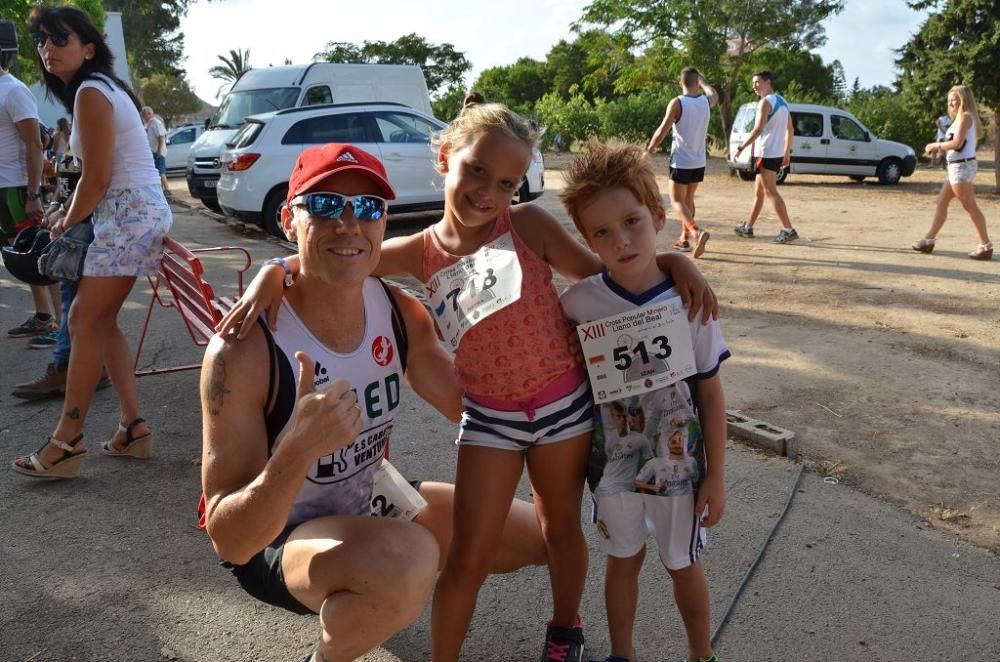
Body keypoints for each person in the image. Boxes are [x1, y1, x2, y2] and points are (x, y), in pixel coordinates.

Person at [216, 104, 718, 662]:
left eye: (506, 182)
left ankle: (564, 631)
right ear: (445, 158)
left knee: (561, 531)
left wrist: (676, 263)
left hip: (563, 410)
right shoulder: (419, 252)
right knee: (467, 556)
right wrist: (276, 270)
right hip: (490, 420)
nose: (488, 192)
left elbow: (610, 273)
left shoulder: (527, 224)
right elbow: (343, 253)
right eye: (476, 171)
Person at [201, 142, 548, 662]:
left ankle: (373, 597)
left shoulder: (396, 307)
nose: (348, 224)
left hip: (369, 501)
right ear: (287, 219)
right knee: (409, 561)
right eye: (322, 206)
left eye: (367, 208)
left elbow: (471, 405)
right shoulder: (245, 348)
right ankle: (341, 639)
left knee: (541, 536)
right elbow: (230, 541)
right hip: (279, 540)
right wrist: (296, 449)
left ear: (384, 222)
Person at [559, 142, 729, 662]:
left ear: (658, 215)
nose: (621, 240)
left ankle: (702, 654)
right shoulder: (577, 304)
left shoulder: (689, 301)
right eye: (601, 232)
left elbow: (711, 391)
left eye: (632, 221)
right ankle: (622, 655)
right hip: (610, 466)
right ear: (586, 239)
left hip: (678, 465)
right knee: (622, 561)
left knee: (683, 564)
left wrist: (717, 474)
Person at [12, 6, 171, 479]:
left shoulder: (90, 92)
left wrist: (63, 221)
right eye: (42, 41)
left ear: (88, 48)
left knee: (82, 319)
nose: (47, 50)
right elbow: (100, 177)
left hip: (128, 215)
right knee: (99, 323)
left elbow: (99, 178)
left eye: (59, 40)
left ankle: (67, 442)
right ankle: (133, 426)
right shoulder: (100, 90)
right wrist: (68, 212)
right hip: (129, 213)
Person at [0, 51, 63, 342]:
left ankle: (63, 327)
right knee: (21, 254)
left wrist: (33, 193)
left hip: (19, 186)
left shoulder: (13, 90)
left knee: (42, 254)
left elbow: (35, 146)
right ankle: (43, 317)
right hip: (3, 188)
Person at [913, 85, 992, 261]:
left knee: (970, 207)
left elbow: (957, 143)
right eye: (949, 100)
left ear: (963, 99)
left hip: (961, 168)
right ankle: (929, 240)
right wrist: (942, 150)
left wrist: (936, 145)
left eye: (954, 99)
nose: (951, 103)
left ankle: (985, 245)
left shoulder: (964, 117)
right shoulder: (960, 119)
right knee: (942, 202)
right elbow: (957, 144)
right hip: (957, 167)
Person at [647, 66, 718, 258]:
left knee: (676, 201)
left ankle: (695, 232)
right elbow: (714, 95)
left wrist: (650, 149)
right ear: (696, 83)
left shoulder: (677, 103)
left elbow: (662, 129)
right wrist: (704, 82)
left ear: (681, 83)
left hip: (681, 161)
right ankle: (685, 239)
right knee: (688, 200)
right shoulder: (706, 102)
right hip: (699, 161)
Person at [733, 70, 799, 244]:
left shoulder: (765, 103)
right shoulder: (782, 102)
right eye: (753, 83)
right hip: (774, 153)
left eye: (758, 82)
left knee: (770, 192)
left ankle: (788, 229)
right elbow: (790, 129)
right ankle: (748, 227)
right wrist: (786, 153)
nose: (754, 86)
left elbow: (757, 129)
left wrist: (741, 147)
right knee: (759, 192)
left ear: (768, 83)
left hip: (767, 153)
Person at [141, 105, 169, 194]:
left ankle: (167, 189)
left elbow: (161, 136)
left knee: (160, 171)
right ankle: (161, 189)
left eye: (144, 115)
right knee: (156, 172)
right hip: (152, 151)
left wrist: (159, 150)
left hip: (157, 151)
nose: (143, 117)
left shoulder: (156, 122)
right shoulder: (149, 123)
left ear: (149, 113)